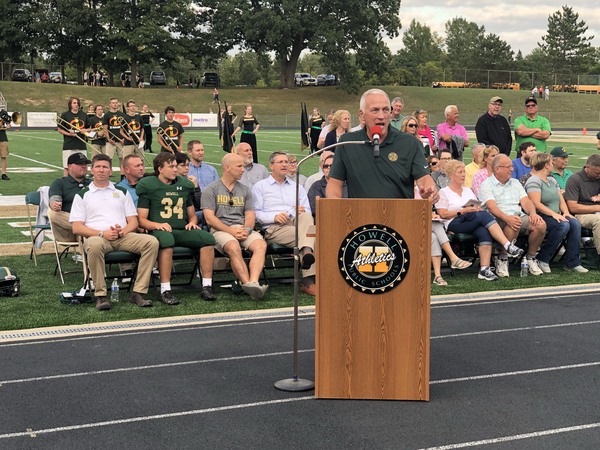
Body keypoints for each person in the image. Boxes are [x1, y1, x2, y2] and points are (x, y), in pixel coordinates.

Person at [70, 154, 159, 311]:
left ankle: (138, 292)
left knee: (151, 242)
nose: (101, 170)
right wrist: (101, 234)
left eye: (105, 167)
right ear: (92, 170)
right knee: (95, 245)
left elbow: (133, 221)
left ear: (111, 171)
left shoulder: (122, 191)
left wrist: (122, 231)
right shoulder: (82, 194)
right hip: (97, 237)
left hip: (123, 236)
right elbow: (77, 227)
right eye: (98, 167)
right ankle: (101, 295)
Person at [327, 89, 438, 202]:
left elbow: (424, 178)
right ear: (361, 115)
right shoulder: (348, 142)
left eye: (385, 110)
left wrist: (430, 190)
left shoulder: (409, 143)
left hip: (400, 216)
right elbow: (335, 182)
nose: (381, 116)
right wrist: (334, 204)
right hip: (359, 217)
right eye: (375, 110)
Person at [137, 152, 217, 305]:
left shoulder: (185, 185)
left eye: (175, 166)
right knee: (167, 240)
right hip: (159, 231)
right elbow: (141, 220)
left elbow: (192, 214)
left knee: (207, 239)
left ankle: (207, 285)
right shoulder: (148, 185)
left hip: (181, 229)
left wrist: (192, 222)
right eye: (171, 166)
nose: (175, 169)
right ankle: (165, 289)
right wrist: (157, 225)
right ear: (160, 169)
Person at [435, 160, 524, 281]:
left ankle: (484, 269)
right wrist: (463, 211)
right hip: (454, 222)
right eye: (460, 172)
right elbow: (443, 214)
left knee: (483, 230)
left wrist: (475, 208)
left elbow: (477, 207)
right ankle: (507, 245)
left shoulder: (468, 190)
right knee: (482, 216)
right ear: (451, 175)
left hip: (472, 219)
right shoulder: (444, 192)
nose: (463, 175)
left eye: (464, 172)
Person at [202, 153, 269, 300]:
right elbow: (209, 218)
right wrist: (231, 231)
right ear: (227, 167)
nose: (243, 170)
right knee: (233, 246)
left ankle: (254, 282)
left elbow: (250, 215)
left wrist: (248, 229)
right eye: (239, 166)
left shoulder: (245, 190)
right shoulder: (211, 189)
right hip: (221, 229)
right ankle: (248, 285)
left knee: (260, 245)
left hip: (242, 228)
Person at [252, 151, 316, 296]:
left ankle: (306, 251)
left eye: (286, 162)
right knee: (314, 236)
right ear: (271, 165)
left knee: (306, 216)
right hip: (275, 227)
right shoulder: (260, 186)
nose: (284, 164)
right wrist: (274, 217)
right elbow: (256, 213)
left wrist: (293, 212)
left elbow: (307, 209)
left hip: (297, 222)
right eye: (280, 162)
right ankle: (308, 281)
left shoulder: (296, 186)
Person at [478, 154, 547, 277]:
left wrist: (533, 213)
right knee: (514, 222)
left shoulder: (515, 183)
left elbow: (525, 201)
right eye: (508, 167)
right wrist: (506, 218)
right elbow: (491, 207)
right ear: (497, 169)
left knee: (540, 224)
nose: (512, 169)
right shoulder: (487, 184)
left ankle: (530, 257)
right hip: (497, 219)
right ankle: (503, 258)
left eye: (512, 166)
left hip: (517, 215)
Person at [524, 152, 587, 273]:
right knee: (563, 225)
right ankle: (543, 258)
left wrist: (566, 212)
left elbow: (561, 200)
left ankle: (572, 262)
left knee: (574, 223)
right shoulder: (534, 181)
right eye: (551, 162)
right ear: (546, 165)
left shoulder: (552, 180)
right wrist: (554, 214)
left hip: (554, 214)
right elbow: (536, 203)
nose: (553, 164)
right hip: (541, 215)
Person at [48, 153, 92, 242]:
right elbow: (54, 199)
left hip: (88, 223)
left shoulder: (92, 184)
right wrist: (54, 204)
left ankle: (85, 230)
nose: (83, 166)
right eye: (80, 164)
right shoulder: (60, 183)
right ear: (70, 166)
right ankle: (83, 228)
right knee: (52, 213)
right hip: (67, 230)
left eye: (85, 164)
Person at [563, 154, 600, 259]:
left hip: (595, 212)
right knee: (598, 220)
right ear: (587, 168)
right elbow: (573, 207)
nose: (599, 175)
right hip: (580, 215)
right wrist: (597, 208)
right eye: (597, 173)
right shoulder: (575, 180)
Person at [307, 153, 347, 219]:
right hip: (324, 221)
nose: (328, 168)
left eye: (332, 166)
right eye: (326, 166)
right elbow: (315, 209)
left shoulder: (347, 185)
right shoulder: (316, 186)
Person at [57, 96, 90, 177]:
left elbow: (89, 127)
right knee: (67, 167)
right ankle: (65, 184)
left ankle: (83, 183)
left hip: (81, 144)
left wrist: (86, 130)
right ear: (70, 104)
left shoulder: (84, 115)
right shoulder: (65, 115)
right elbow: (60, 129)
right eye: (74, 103)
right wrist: (69, 134)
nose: (76, 105)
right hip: (69, 144)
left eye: (77, 103)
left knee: (83, 166)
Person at [102, 98, 124, 171]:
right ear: (110, 104)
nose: (115, 104)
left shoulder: (121, 114)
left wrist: (124, 138)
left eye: (116, 102)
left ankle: (123, 174)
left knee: (122, 158)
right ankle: (109, 173)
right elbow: (105, 128)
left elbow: (125, 128)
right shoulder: (107, 115)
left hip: (121, 141)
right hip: (111, 141)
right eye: (113, 103)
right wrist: (109, 139)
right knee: (109, 159)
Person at [0, 114, 10, 180]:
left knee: (4, 156)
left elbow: (8, 124)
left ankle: (4, 173)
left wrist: (8, 125)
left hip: (3, 137)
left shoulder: (4, 113)